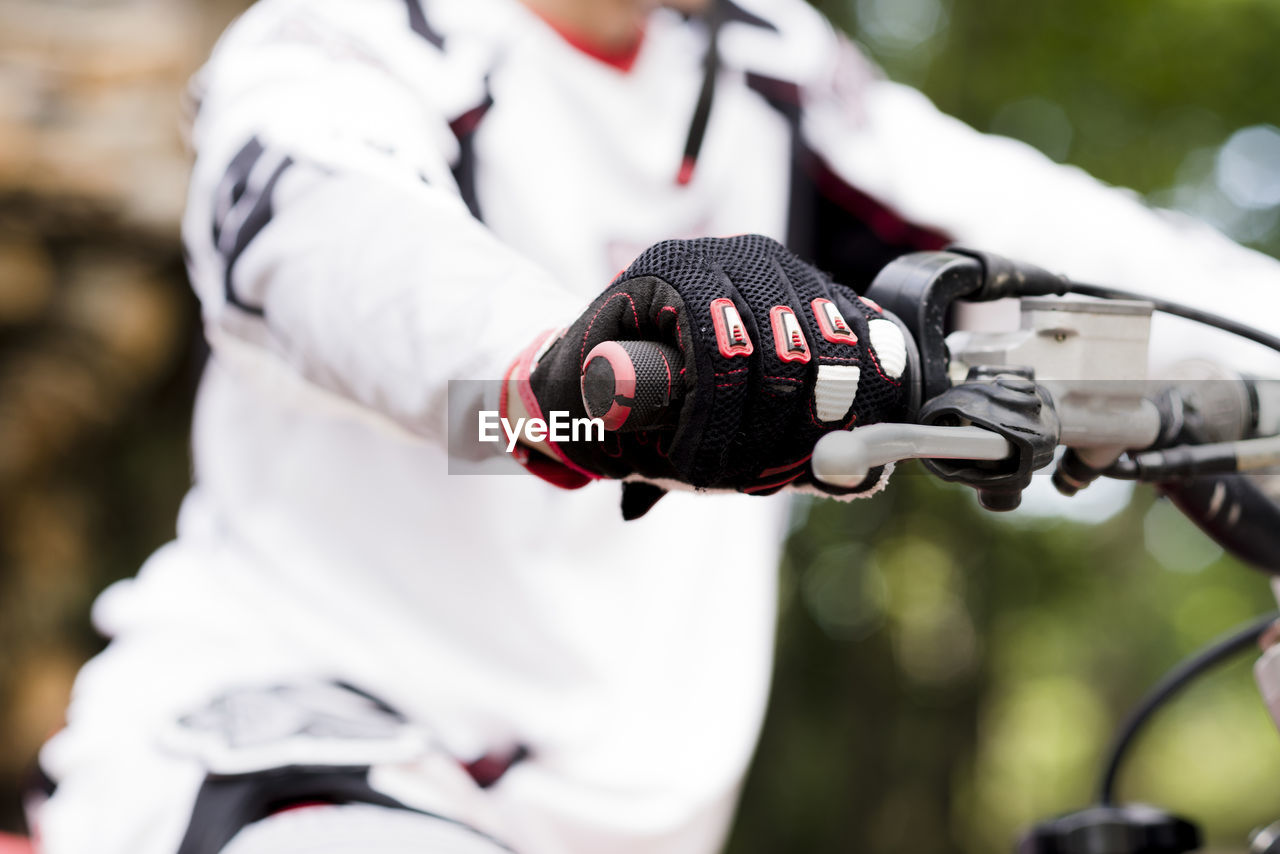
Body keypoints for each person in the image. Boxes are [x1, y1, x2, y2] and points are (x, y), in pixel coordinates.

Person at [27, 0, 1280, 853]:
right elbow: (331, 253)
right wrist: (553, 375)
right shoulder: (350, 37)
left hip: (637, 815)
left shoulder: (764, 61)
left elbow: (1078, 258)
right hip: (308, 761)